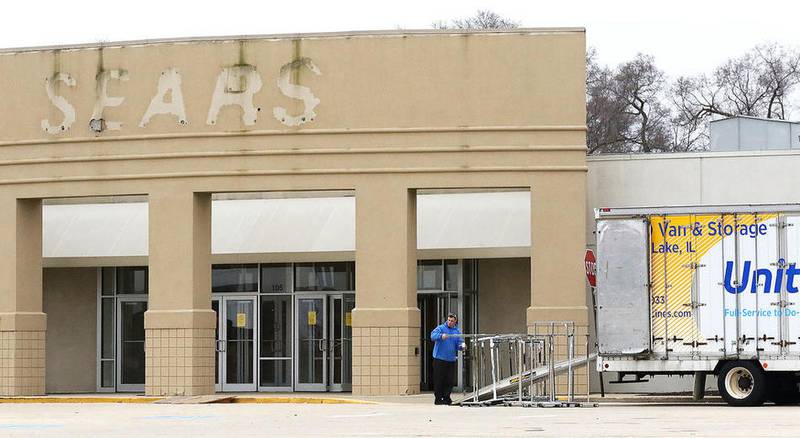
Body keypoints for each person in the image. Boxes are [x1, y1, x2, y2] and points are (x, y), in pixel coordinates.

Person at [430, 313, 466, 405]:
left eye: (452, 321)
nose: (450, 322)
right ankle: (438, 399)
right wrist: (441, 336)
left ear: (455, 322)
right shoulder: (441, 328)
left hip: (450, 359)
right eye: (449, 320)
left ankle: (446, 397)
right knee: (439, 379)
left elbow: (459, 343)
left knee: (449, 380)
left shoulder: (457, 331)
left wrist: (462, 346)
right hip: (439, 358)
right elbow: (432, 336)